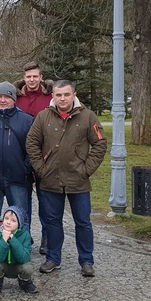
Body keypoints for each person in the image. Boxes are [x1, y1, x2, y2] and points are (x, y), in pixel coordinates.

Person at [26, 80, 107, 277]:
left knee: (83, 222)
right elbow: (32, 143)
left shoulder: (87, 117)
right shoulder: (43, 117)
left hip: (78, 180)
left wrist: (86, 170)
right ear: (53, 96)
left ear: (74, 95)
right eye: (59, 95)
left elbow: (100, 144)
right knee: (53, 221)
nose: (63, 98)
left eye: (66, 95)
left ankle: (86, 260)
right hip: (50, 180)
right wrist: (41, 170)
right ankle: (53, 258)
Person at [0, 81, 34, 266]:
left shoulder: (26, 120)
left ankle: (22, 251)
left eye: (7, 96)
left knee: (21, 217)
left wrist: (26, 168)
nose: (2, 100)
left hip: (17, 178)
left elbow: (33, 149)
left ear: (13, 99)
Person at [14, 62, 53, 255]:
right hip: (22, 156)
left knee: (45, 200)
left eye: (35, 76)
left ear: (40, 77)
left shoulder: (49, 97)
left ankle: (47, 238)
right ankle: (24, 236)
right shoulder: (17, 98)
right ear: (24, 77)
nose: (31, 80)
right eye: (28, 76)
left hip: (45, 156)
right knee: (23, 201)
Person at [0, 205, 37, 293]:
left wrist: (13, 240)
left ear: (19, 224)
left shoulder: (26, 235)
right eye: (6, 218)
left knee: (28, 268)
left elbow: (24, 258)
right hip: (3, 264)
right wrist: (4, 240)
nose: (8, 222)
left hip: (18, 265)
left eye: (13, 220)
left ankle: (25, 282)